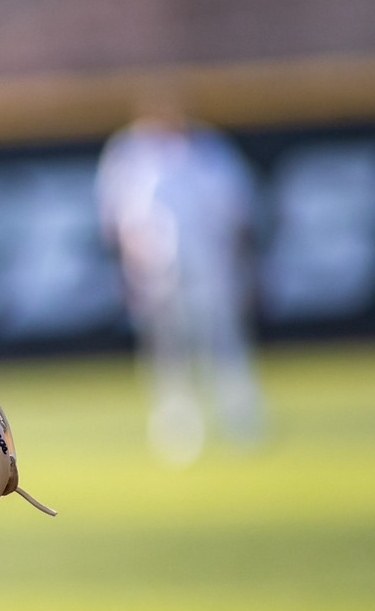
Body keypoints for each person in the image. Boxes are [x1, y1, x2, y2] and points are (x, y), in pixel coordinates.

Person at [95, 98, 265, 465]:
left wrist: (239, 263)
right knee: (168, 350)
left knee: (223, 341)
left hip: (210, 262)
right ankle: (176, 427)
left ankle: (241, 417)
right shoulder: (129, 153)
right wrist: (131, 267)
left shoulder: (208, 150)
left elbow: (237, 211)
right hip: (157, 268)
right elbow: (118, 220)